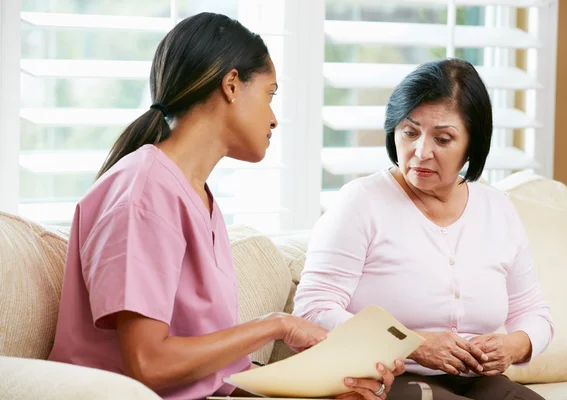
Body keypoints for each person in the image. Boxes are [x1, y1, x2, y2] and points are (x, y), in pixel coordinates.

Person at [48, 12, 404, 400]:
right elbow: (149, 365)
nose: (273, 119)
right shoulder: (143, 191)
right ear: (232, 85)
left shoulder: (198, 198)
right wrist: (276, 326)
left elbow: (212, 376)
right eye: (270, 95)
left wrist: (326, 387)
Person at [292, 59, 554, 400]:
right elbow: (313, 310)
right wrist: (412, 343)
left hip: (477, 380)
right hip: (385, 375)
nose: (421, 151)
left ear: (472, 145)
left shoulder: (497, 209)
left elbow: (534, 312)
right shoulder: (362, 201)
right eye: (410, 132)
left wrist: (512, 346)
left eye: (443, 139)